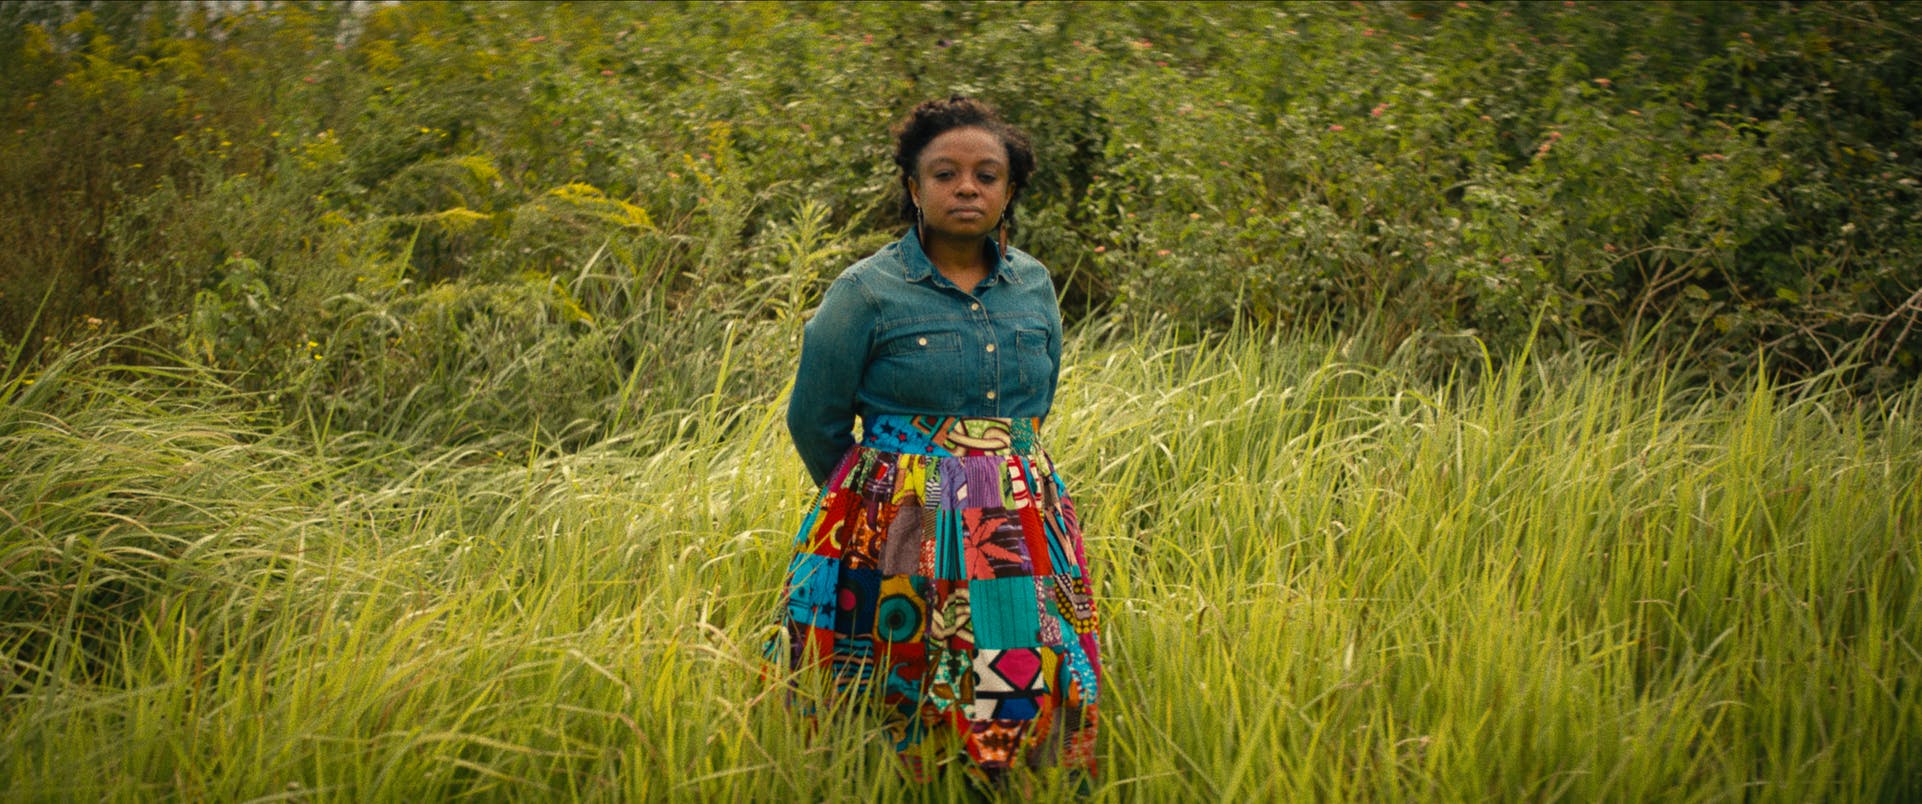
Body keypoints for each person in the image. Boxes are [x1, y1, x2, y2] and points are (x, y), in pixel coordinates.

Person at [773, 95, 1101, 786]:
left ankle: (1007, 782)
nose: (966, 188)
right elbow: (815, 420)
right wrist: (877, 500)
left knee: (1019, 663)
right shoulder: (866, 291)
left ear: (1009, 191)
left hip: (1017, 513)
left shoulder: (1034, 284)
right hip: (896, 515)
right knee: (899, 666)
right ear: (914, 187)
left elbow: (1035, 406)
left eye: (986, 175)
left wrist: (992, 474)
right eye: (945, 174)